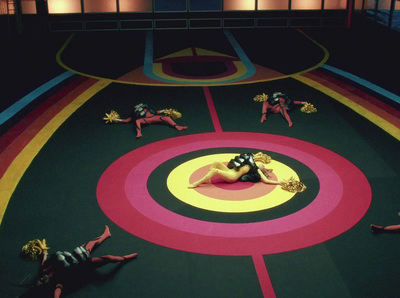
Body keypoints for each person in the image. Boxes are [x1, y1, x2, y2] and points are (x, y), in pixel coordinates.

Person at [22, 226, 138, 298]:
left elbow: (44, 260)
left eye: (43, 278)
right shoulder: (58, 282)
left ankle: (106, 234)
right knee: (108, 258)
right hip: (85, 266)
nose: (46, 276)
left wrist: (44, 253)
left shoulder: (45, 269)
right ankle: (125, 258)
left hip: (76, 255)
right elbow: (57, 293)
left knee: (88, 245)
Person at [188, 152, 283, 188]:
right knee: (216, 162)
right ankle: (207, 179)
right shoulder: (249, 161)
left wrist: (279, 182)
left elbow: (266, 181)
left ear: (262, 170)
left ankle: (197, 183)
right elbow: (251, 157)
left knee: (214, 171)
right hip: (230, 171)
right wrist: (259, 156)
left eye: (264, 167)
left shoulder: (256, 169)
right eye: (263, 164)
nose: (263, 165)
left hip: (232, 177)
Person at [103, 103, 188, 138]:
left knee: (166, 118)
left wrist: (166, 110)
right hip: (144, 120)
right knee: (137, 121)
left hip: (153, 117)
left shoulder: (149, 110)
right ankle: (139, 133)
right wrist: (115, 119)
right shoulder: (134, 114)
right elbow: (126, 120)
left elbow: (157, 112)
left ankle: (178, 127)